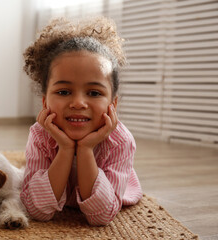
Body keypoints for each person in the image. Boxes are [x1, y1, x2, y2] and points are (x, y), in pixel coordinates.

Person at [20, 16, 143, 226]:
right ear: (44, 102)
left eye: (94, 93)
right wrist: (66, 148)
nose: (78, 103)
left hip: (110, 190)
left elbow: (101, 217)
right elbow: (36, 210)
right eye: (64, 91)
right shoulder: (41, 134)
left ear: (113, 105)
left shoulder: (121, 141)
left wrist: (86, 149)